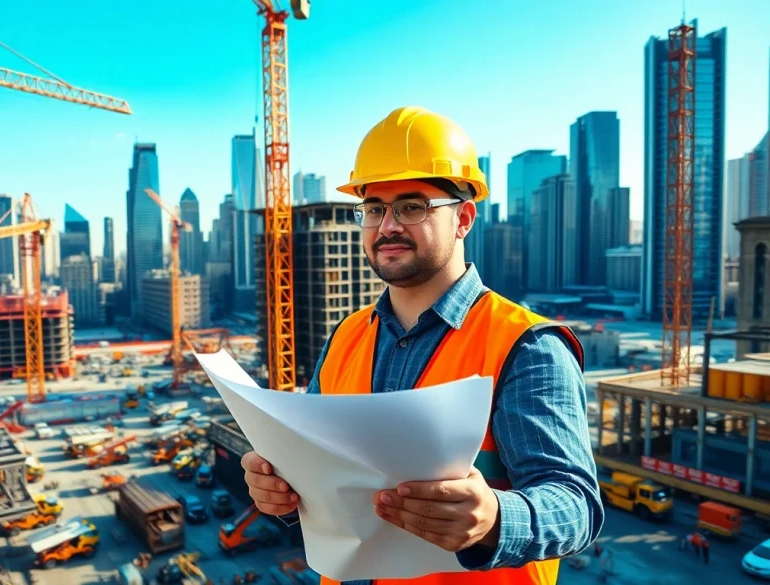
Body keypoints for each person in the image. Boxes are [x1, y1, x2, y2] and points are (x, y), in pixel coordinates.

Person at [241, 106, 604, 585]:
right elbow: (321, 478)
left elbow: (575, 504)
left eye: (412, 206)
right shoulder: (347, 336)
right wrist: (281, 491)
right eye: (374, 209)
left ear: (464, 219)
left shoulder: (526, 345)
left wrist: (496, 518)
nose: (387, 226)